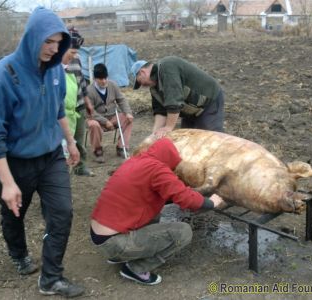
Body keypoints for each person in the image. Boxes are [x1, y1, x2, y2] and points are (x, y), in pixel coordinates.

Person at [0, 7, 84, 298]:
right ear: (31, 37)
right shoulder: (0, 77)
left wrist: (71, 142)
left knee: (62, 212)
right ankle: (18, 253)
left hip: (51, 156)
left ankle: (51, 278)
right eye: (47, 41)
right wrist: (8, 182)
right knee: (14, 214)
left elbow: (58, 109)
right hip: (16, 162)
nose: (53, 49)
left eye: (58, 42)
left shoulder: (55, 72)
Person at [90, 138, 224, 285]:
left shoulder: (135, 161)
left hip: (100, 235)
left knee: (154, 210)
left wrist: (184, 192)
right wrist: (211, 203)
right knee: (183, 232)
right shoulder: (157, 169)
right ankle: (135, 268)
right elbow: (186, 199)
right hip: (115, 243)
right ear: (170, 159)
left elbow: (168, 193)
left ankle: (119, 256)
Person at [131, 56, 224, 138]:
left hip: (209, 101)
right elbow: (160, 111)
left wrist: (168, 127)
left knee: (211, 138)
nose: (142, 86)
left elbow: (174, 102)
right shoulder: (154, 88)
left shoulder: (167, 67)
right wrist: (154, 134)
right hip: (189, 110)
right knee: (186, 139)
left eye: (139, 82)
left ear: (142, 72)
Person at [62, 28, 95, 177]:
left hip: (79, 104)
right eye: (72, 51)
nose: (74, 55)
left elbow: (81, 81)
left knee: (79, 139)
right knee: (65, 141)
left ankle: (81, 166)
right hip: (63, 109)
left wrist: (87, 101)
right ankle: (64, 169)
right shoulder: (56, 62)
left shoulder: (77, 59)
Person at [86, 63, 134, 163]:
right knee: (93, 124)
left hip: (112, 117)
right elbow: (90, 112)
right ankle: (97, 151)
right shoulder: (89, 91)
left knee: (128, 118)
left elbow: (121, 100)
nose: (103, 81)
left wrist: (128, 112)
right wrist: (104, 121)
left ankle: (121, 147)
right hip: (96, 119)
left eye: (105, 78)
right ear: (95, 79)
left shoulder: (113, 85)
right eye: (100, 79)